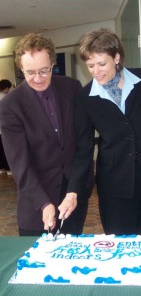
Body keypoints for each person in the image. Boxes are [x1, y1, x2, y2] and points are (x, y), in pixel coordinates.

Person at [60, 28, 141, 235]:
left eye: (101, 64)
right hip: (114, 184)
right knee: (121, 244)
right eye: (90, 65)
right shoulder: (85, 97)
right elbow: (83, 150)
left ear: (116, 57)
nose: (96, 71)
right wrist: (72, 191)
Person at [0, 33, 94, 236]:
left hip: (73, 195)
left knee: (72, 256)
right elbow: (20, 165)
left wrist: (74, 191)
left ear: (52, 63)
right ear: (21, 70)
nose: (38, 78)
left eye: (44, 70)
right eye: (30, 72)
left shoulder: (72, 88)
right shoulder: (10, 105)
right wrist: (44, 203)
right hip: (36, 200)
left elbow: (83, 144)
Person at [0, 79, 12, 175]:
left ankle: (2, 168)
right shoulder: (6, 98)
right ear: (6, 87)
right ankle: (8, 168)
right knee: (6, 149)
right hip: (4, 128)